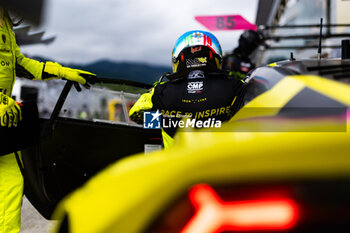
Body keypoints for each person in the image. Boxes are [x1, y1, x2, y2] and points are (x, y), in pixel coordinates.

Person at [0, 8, 96, 233]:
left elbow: (20, 63)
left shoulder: (6, 23)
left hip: (4, 121)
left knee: (11, 185)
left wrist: (62, 72)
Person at [129, 30, 244, 149]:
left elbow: (135, 113)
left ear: (178, 59)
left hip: (177, 165)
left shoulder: (161, 91)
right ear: (215, 58)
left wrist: (169, 119)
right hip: (219, 164)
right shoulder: (236, 87)